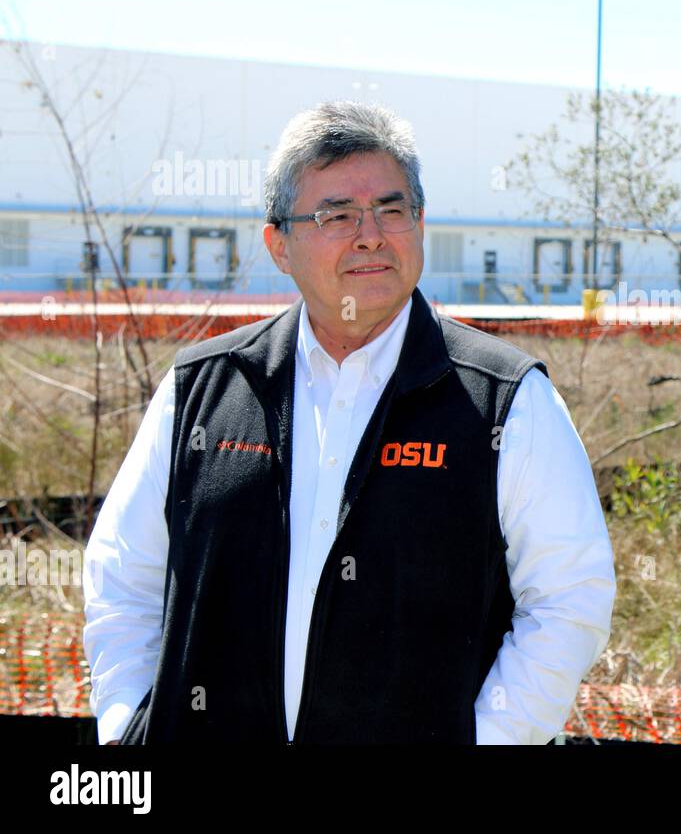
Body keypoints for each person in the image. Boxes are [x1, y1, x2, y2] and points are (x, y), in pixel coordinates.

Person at [83, 101, 616, 743]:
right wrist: (125, 724)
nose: (370, 234)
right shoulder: (203, 388)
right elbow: (122, 573)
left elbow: (569, 598)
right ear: (278, 244)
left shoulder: (504, 400)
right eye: (336, 215)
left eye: (391, 210)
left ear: (419, 224)